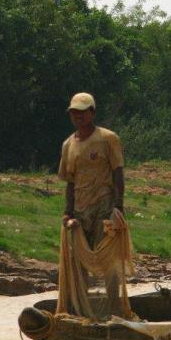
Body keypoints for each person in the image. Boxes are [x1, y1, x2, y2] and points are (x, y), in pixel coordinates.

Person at [58, 92, 125, 308]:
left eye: (82, 111)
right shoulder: (68, 144)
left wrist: (118, 207)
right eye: (74, 112)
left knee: (109, 260)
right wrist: (68, 212)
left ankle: (115, 308)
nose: (78, 115)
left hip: (104, 208)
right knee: (78, 264)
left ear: (92, 113)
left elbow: (118, 173)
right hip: (80, 211)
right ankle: (81, 309)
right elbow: (70, 182)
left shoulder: (108, 138)